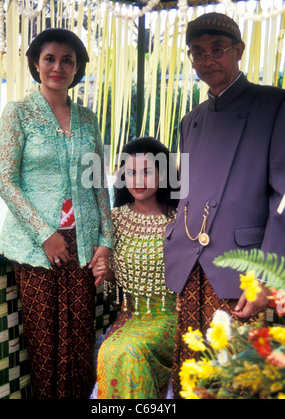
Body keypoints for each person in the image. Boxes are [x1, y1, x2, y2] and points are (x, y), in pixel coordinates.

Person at [163, 12, 285, 397]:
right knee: (194, 371)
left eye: (217, 50)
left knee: (237, 375)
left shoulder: (275, 105)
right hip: (190, 269)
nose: (207, 60)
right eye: (197, 53)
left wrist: (266, 274)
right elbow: (187, 192)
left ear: (239, 51)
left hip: (242, 270)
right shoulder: (190, 120)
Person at [0, 28, 112, 399]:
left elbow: (98, 186)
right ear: (35, 63)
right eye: (50, 58)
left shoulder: (88, 119)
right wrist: (46, 234)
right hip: (36, 247)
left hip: (83, 244)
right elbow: (5, 180)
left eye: (68, 60)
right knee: (45, 343)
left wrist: (106, 242)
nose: (58, 67)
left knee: (79, 339)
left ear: (78, 68)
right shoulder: (18, 113)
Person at [90, 137, 179, 399]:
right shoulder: (113, 220)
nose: (137, 180)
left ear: (163, 174)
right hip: (131, 316)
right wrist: (105, 274)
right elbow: (113, 283)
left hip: (172, 317)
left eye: (146, 171)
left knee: (130, 350)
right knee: (110, 351)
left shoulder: (183, 218)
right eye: (130, 172)